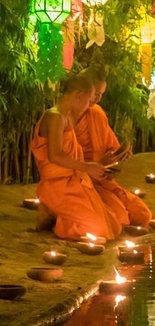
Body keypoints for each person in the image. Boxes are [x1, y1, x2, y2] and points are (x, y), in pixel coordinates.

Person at [32, 76, 121, 240]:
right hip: (57, 185)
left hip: (73, 181)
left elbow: (71, 157)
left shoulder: (66, 118)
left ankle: (59, 216)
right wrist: (87, 167)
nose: (89, 106)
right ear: (78, 95)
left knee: (114, 225)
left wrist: (98, 166)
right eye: (88, 101)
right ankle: (56, 219)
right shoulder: (55, 116)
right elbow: (55, 155)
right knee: (98, 231)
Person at [73, 70, 152, 227]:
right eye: (95, 93)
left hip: (102, 180)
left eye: (101, 94)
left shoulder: (97, 114)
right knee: (119, 218)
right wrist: (93, 166)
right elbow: (61, 160)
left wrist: (119, 156)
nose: (97, 98)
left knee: (143, 215)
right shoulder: (64, 118)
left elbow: (111, 147)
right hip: (81, 181)